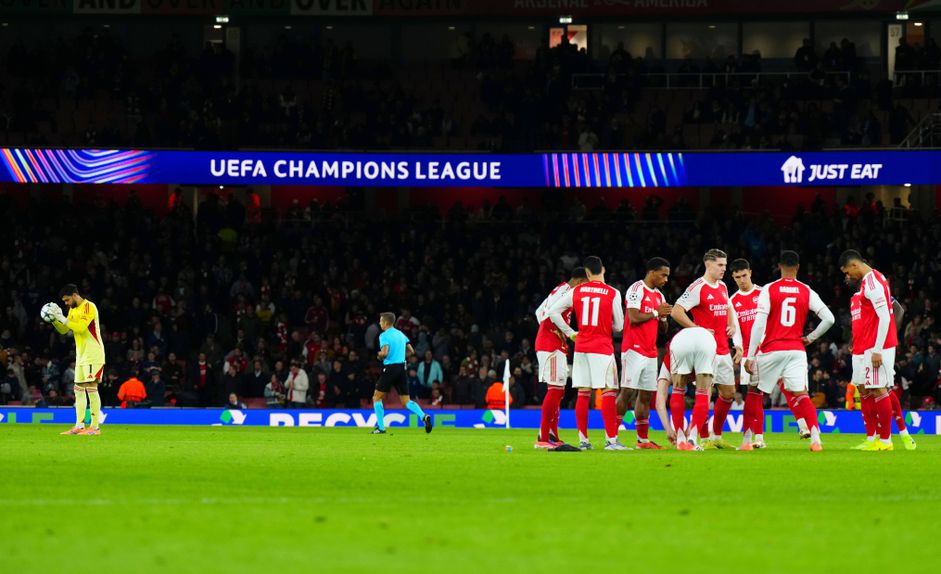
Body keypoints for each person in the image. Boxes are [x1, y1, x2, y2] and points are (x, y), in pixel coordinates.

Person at [745, 251, 834, 452]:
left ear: (779, 266)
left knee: (755, 391)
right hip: (796, 349)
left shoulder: (769, 289)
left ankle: (758, 438)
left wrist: (750, 355)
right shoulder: (806, 290)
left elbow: (759, 324)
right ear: (798, 267)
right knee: (802, 394)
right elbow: (830, 319)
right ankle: (816, 439)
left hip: (771, 348)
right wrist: (810, 338)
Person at [548, 255, 626, 451]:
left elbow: (553, 311)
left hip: (581, 347)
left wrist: (570, 333)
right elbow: (619, 326)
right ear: (604, 270)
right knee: (608, 390)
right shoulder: (613, 293)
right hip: (602, 347)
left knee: (583, 392)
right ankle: (611, 441)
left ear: (587, 273)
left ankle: (583, 440)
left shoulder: (577, 291)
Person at [840, 251, 915, 451]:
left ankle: (885, 440)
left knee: (880, 389)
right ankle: (874, 438)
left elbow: (886, 316)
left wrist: (878, 349)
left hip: (876, 346)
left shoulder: (872, 283)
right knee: (868, 388)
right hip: (865, 346)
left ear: (855, 265)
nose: (848, 276)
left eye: (848, 272)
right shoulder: (869, 282)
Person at [671, 249, 739, 449]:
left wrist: (732, 324)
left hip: (723, 348)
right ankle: (696, 437)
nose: (724, 269)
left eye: (725, 265)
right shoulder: (697, 287)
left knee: (728, 393)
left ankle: (715, 437)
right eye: (720, 265)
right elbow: (676, 311)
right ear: (708, 265)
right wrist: (696, 329)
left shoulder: (723, 286)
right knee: (705, 392)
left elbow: (727, 307)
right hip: (705, 350)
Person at [617, 257, 672, 449]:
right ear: (652, 272)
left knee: (646, 395)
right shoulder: (636, 289)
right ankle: (612, 437)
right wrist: (657, 313)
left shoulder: (659, 296)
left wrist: (664, 318)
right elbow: (633, 317)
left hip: (650, 352)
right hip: (633, 349)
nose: (666, 279)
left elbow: (663, 330)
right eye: (663, 275)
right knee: (627, 391)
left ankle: (642, 440)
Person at [533, 267, 587, 448]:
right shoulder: (566, 291)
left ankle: (552, 435)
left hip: (553, 343)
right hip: (551, 344)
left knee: (559, 390)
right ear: (580, 282)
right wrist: (567, 333)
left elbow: (539, 312)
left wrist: (549, 330)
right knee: (555, 389)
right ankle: (542, 439)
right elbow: (549, 313)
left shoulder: (560, 289)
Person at [45, 284, 106, 436]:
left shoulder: (89, 307)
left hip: (93, 353)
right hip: (81, 355)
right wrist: (55, 320)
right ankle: (79, 425)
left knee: (91, 387)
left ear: (74, 295)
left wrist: (62, 318)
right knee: (78, 389)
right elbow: (65, 330)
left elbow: (80, 328)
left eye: (66, 300)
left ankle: (95, 427)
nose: (65, 303)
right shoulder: (73, 310)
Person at [372, 312, 433, 434]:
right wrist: (400, 356)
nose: (379, 323)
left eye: (380, 321)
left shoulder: (384, 335)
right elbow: (411, 351)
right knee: (406, 401)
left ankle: (381, 428)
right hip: (401, 368)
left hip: (390, 368)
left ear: (386, 322)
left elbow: (384, 352)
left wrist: (379, 356)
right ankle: (423, 416)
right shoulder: (401, 334)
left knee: (377, 397)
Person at [665, 327, 717, 451]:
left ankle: (681, 441)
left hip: (680, 341)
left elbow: (660, 399)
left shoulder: (666, 364)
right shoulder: (709, 345)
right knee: (703, 392)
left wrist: (668, 428)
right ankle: (692, 439)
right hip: (706, 341)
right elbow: (707, 398)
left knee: (677, 389)